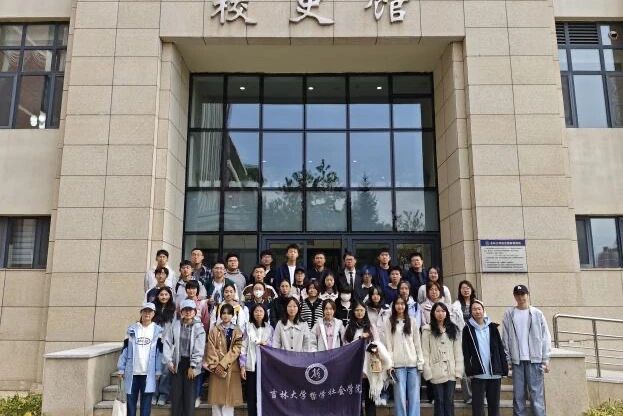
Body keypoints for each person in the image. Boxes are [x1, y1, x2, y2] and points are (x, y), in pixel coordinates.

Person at [502, 285, 551, 416]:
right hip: (517, 361)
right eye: (517, 294)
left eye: (523, 294)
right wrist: (507, 359)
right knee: (518, 396)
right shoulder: (509, 314)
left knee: (536, 396)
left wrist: (545, 359)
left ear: (527, 295)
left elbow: (545, 337)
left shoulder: (537, 313)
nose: (520, 297)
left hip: (535, 361)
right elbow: (505, 338)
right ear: (514, 296)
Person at [343, 301, 392, 416]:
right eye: (357, 310)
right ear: (353, 312)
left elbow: (377, 344)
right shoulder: (349, 327)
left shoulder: (370, 327)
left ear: (365, 312)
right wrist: (360, 338)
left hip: (370, 365)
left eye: (362, 310)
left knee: (370, 397)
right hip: (355, 366)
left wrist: (371, 347)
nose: (359, 313)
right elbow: (346, 347)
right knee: (357, 397)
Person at [463, 300, 507, 416]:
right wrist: (469, 370)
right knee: (478, 407)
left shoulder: (493, 327)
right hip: (478, 373)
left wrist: (503, 368)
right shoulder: (467, 329)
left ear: (483, 310)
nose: (477, 311)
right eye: (474, 309)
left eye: (479, 309)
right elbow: (466, 351)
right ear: (471, 312)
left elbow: (500, 349)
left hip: (494, 373)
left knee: (494, 406)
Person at [117, 302, 163, 416]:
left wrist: (158, 370)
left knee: (146, 404)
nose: (147, 314)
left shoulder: (158, 330)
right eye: (145, 311)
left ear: (153, 314)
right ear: (141, 313)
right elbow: (125, 349)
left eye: (150, 311)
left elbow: (159, 353)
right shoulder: (132, 329)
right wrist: (121, 368)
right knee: (130, 404)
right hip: (132, 372)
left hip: (148, 373)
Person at [163, 299, 206, 416]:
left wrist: (193, 366)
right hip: (177, 362)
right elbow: (167, 342)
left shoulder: (199, 327)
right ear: (181, 312)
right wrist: (169, 361)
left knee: (189, 395)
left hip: (191, 364)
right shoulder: (175, 325)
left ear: (194, 312)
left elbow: (199, 348)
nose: (188, 312)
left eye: (190, 310)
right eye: (185, 310)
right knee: (176, 394)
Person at [422, 302, 463, 416]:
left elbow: (458, 352)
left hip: (451, 371)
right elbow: (425, 352)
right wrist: (427, 370)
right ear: (433, 313)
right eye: (438, 311)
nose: (440, 313)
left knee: (449, 401)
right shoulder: (427, 330)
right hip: (435, 371)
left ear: (447, 313)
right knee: (439, 401)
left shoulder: (453, 329)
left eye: (443, 311)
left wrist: (458, 370)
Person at [385, 297, 424, 416]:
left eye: (402, 304)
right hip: (397, 365)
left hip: (413, 364)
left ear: (405, 306)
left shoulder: (412, 321)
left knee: (414, 397)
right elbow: (389, 345)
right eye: (397, 304)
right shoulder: (389, 321)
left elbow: (417, 343)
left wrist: (420, 361)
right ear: (394, 306)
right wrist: (390, 364)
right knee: (400, 397)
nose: (400, 306)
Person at [204, 303, 244, 416]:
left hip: (231, 367)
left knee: (229, 400)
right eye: (224, 313)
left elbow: (237, 348)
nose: (226, 315)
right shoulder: (214, 330)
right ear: (220, 315)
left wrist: (223, 364)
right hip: (216, 368)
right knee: (216, 400)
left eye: (229, 313)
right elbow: (210, 348)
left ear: (233, 315)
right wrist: (216, 365)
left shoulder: (237, 330)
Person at [240, 304, 273, 416]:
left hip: (265, 366)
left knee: (265, 394)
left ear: (265, 313)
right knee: (251, 395)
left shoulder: (269, 328)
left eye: (261, 311)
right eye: (256, 311)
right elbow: (243, 348)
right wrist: (242, 366)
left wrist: (266, 344)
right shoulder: (247, 328)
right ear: (252, 313)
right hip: (252, 365)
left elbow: (274, 346)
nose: (258, 313)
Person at [452, 280, 476, 403]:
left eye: (468, 288)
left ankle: (479, 395)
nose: (466, 290)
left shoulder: (477, 304)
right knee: (464, 367)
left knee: (477, 366)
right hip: (461, 339)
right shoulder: (455, 306)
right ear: (460, 290)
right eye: (463, 288)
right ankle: (469, 396)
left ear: (471, 290)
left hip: (476, 339)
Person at [152, 287, 176, 406]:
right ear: (157, 296)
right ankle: (153, 394)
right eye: (161, 294)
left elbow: (175, 327)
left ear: (170, 296)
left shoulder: (173, 310)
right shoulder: (153, 309)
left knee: (166, 370)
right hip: (154, 343)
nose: (164, 297)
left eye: (166, 294)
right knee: (153, 369)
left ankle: (163, 394)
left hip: (167, 343)